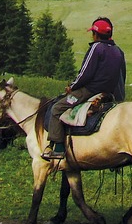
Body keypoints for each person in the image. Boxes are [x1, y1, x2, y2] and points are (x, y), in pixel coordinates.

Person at [42, 16, 126, 161]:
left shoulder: (96, 47)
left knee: (57, 108)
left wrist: (72, 87)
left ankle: (59, 147)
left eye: (93, 33)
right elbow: (121, 75)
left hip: (90, 90)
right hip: (110, 92)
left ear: (96, 34)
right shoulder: (118, 51)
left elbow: (85, 72)